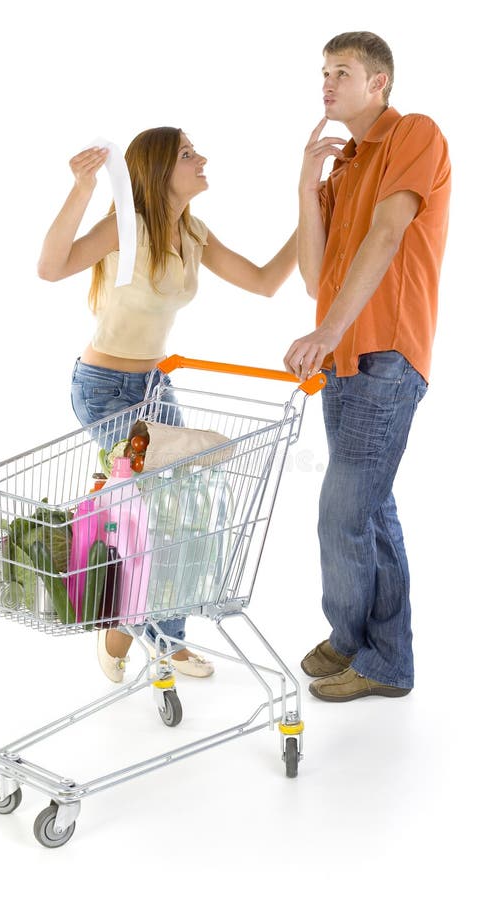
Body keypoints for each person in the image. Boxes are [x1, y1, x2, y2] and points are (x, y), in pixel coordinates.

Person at [39, 126, 297, 683]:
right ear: (158, 170)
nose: (202, 159)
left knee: (182, 514)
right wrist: (82, 188)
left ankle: (151, 635)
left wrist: (313, 210)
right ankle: (140, 631)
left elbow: (265, 281)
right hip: (105, 387)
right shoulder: (125, 229)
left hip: (155, 389)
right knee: (151, 515)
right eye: (187, 154)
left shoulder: (193, 231)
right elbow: (51, 266)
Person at [284, 31, 451, 701]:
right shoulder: (343, 166)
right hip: (344, 362)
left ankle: (372, 652)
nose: (327, 83)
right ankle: (369, 647)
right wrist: (305, 182)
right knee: (369, 509)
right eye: (323, 72)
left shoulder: (414, 133)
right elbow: (311, 274)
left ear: (378, 81)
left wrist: (326, 331)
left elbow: (387, 235)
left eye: (342, 72)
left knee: (342, 512)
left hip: (386, 353)